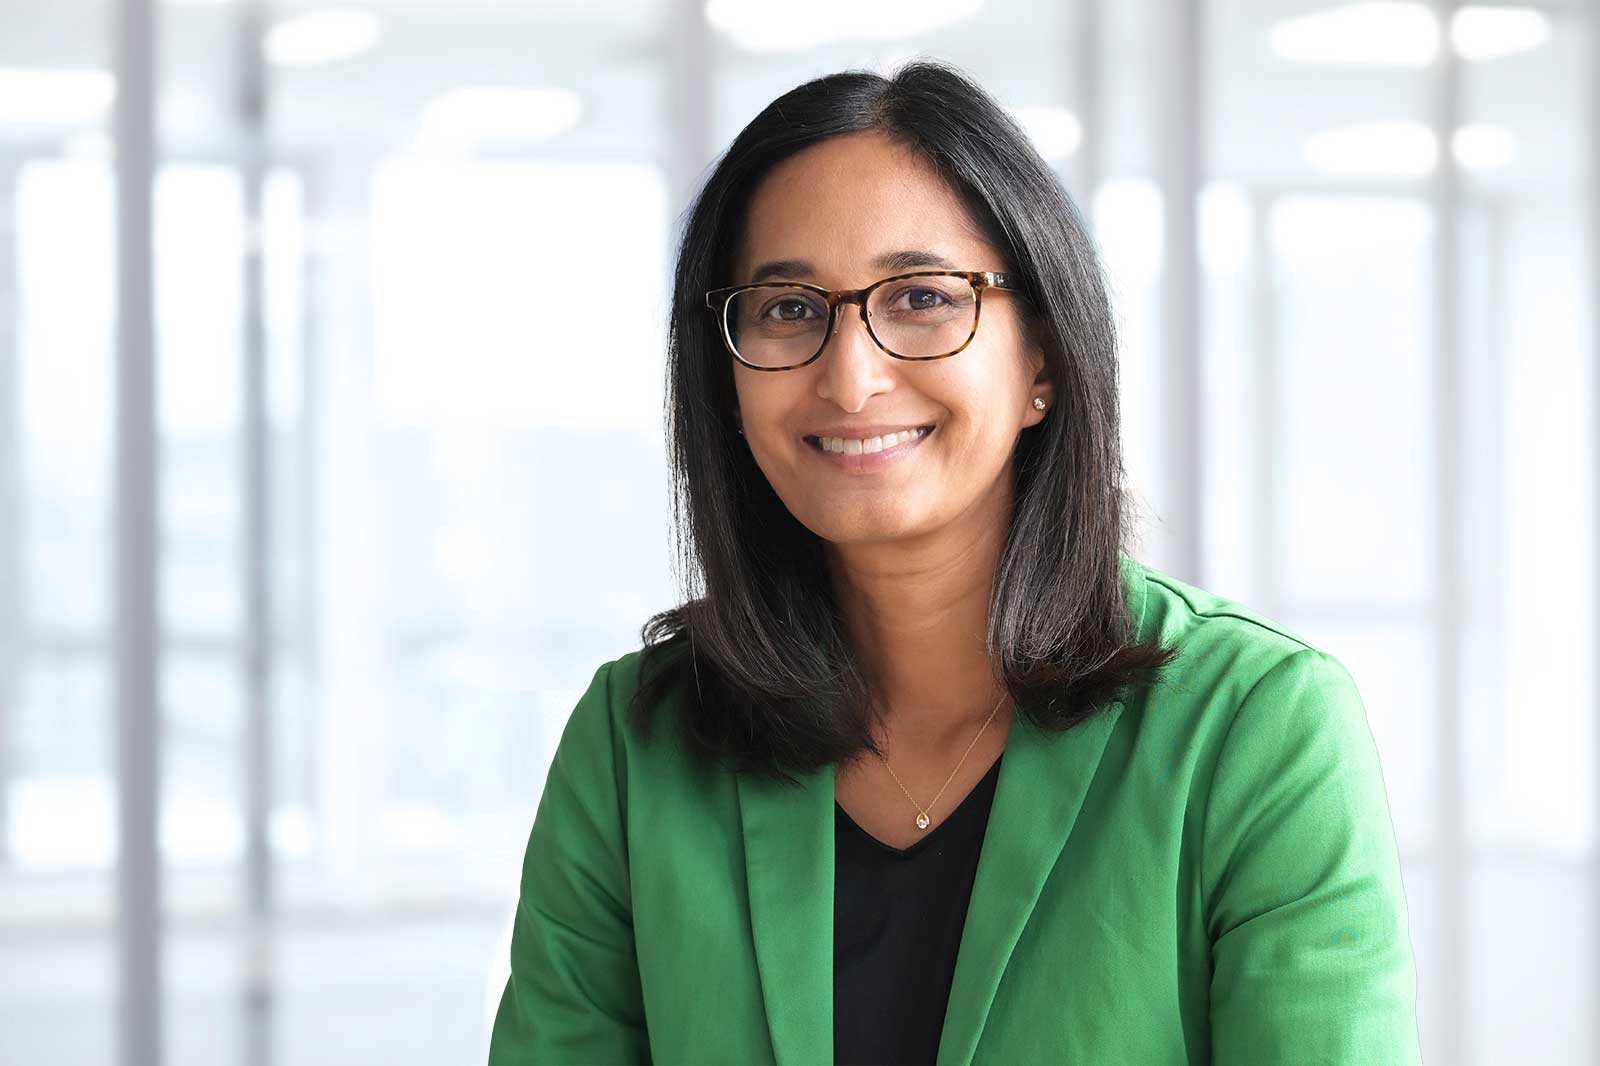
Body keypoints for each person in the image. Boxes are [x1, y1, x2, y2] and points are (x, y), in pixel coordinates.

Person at [488, 59, 1423, 1065]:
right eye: (788, 309)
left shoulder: (1257, 724)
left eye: (924, 297)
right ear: (724, 379)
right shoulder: (638, 745)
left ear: (1043, 362)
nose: (850, 377)